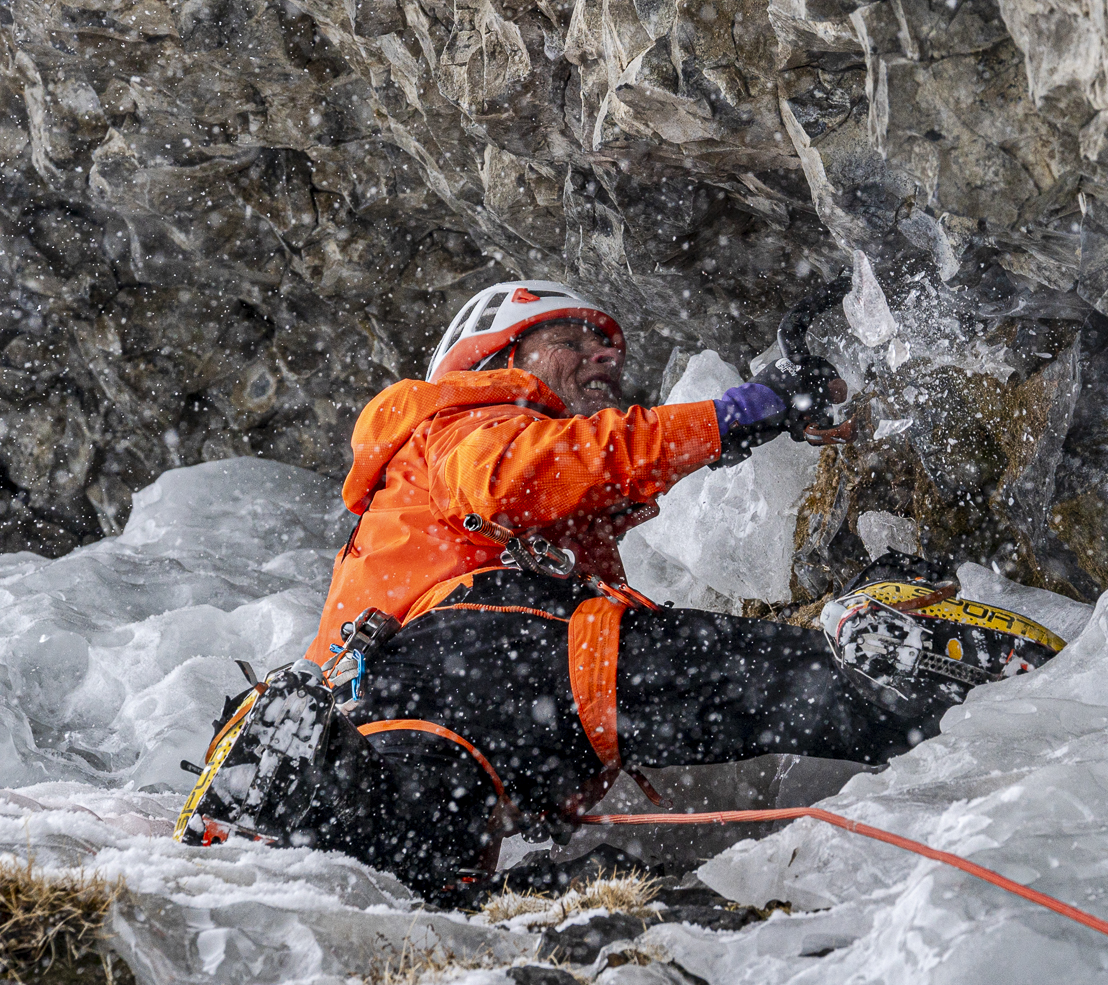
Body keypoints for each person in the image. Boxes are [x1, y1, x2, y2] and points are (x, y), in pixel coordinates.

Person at [177, 280, 1061, 904]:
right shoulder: (462, 421)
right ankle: (975, 689)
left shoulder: (419, 511)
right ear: (502, 350)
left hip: (440, 729)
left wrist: (756, 426)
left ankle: (288, 797)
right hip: (503, 651)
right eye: (577, 336)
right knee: (779, 687)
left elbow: (604, 481)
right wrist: (739, 411)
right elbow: (555, 468)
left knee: (421, 867)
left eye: (611, 343)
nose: (608, 351)